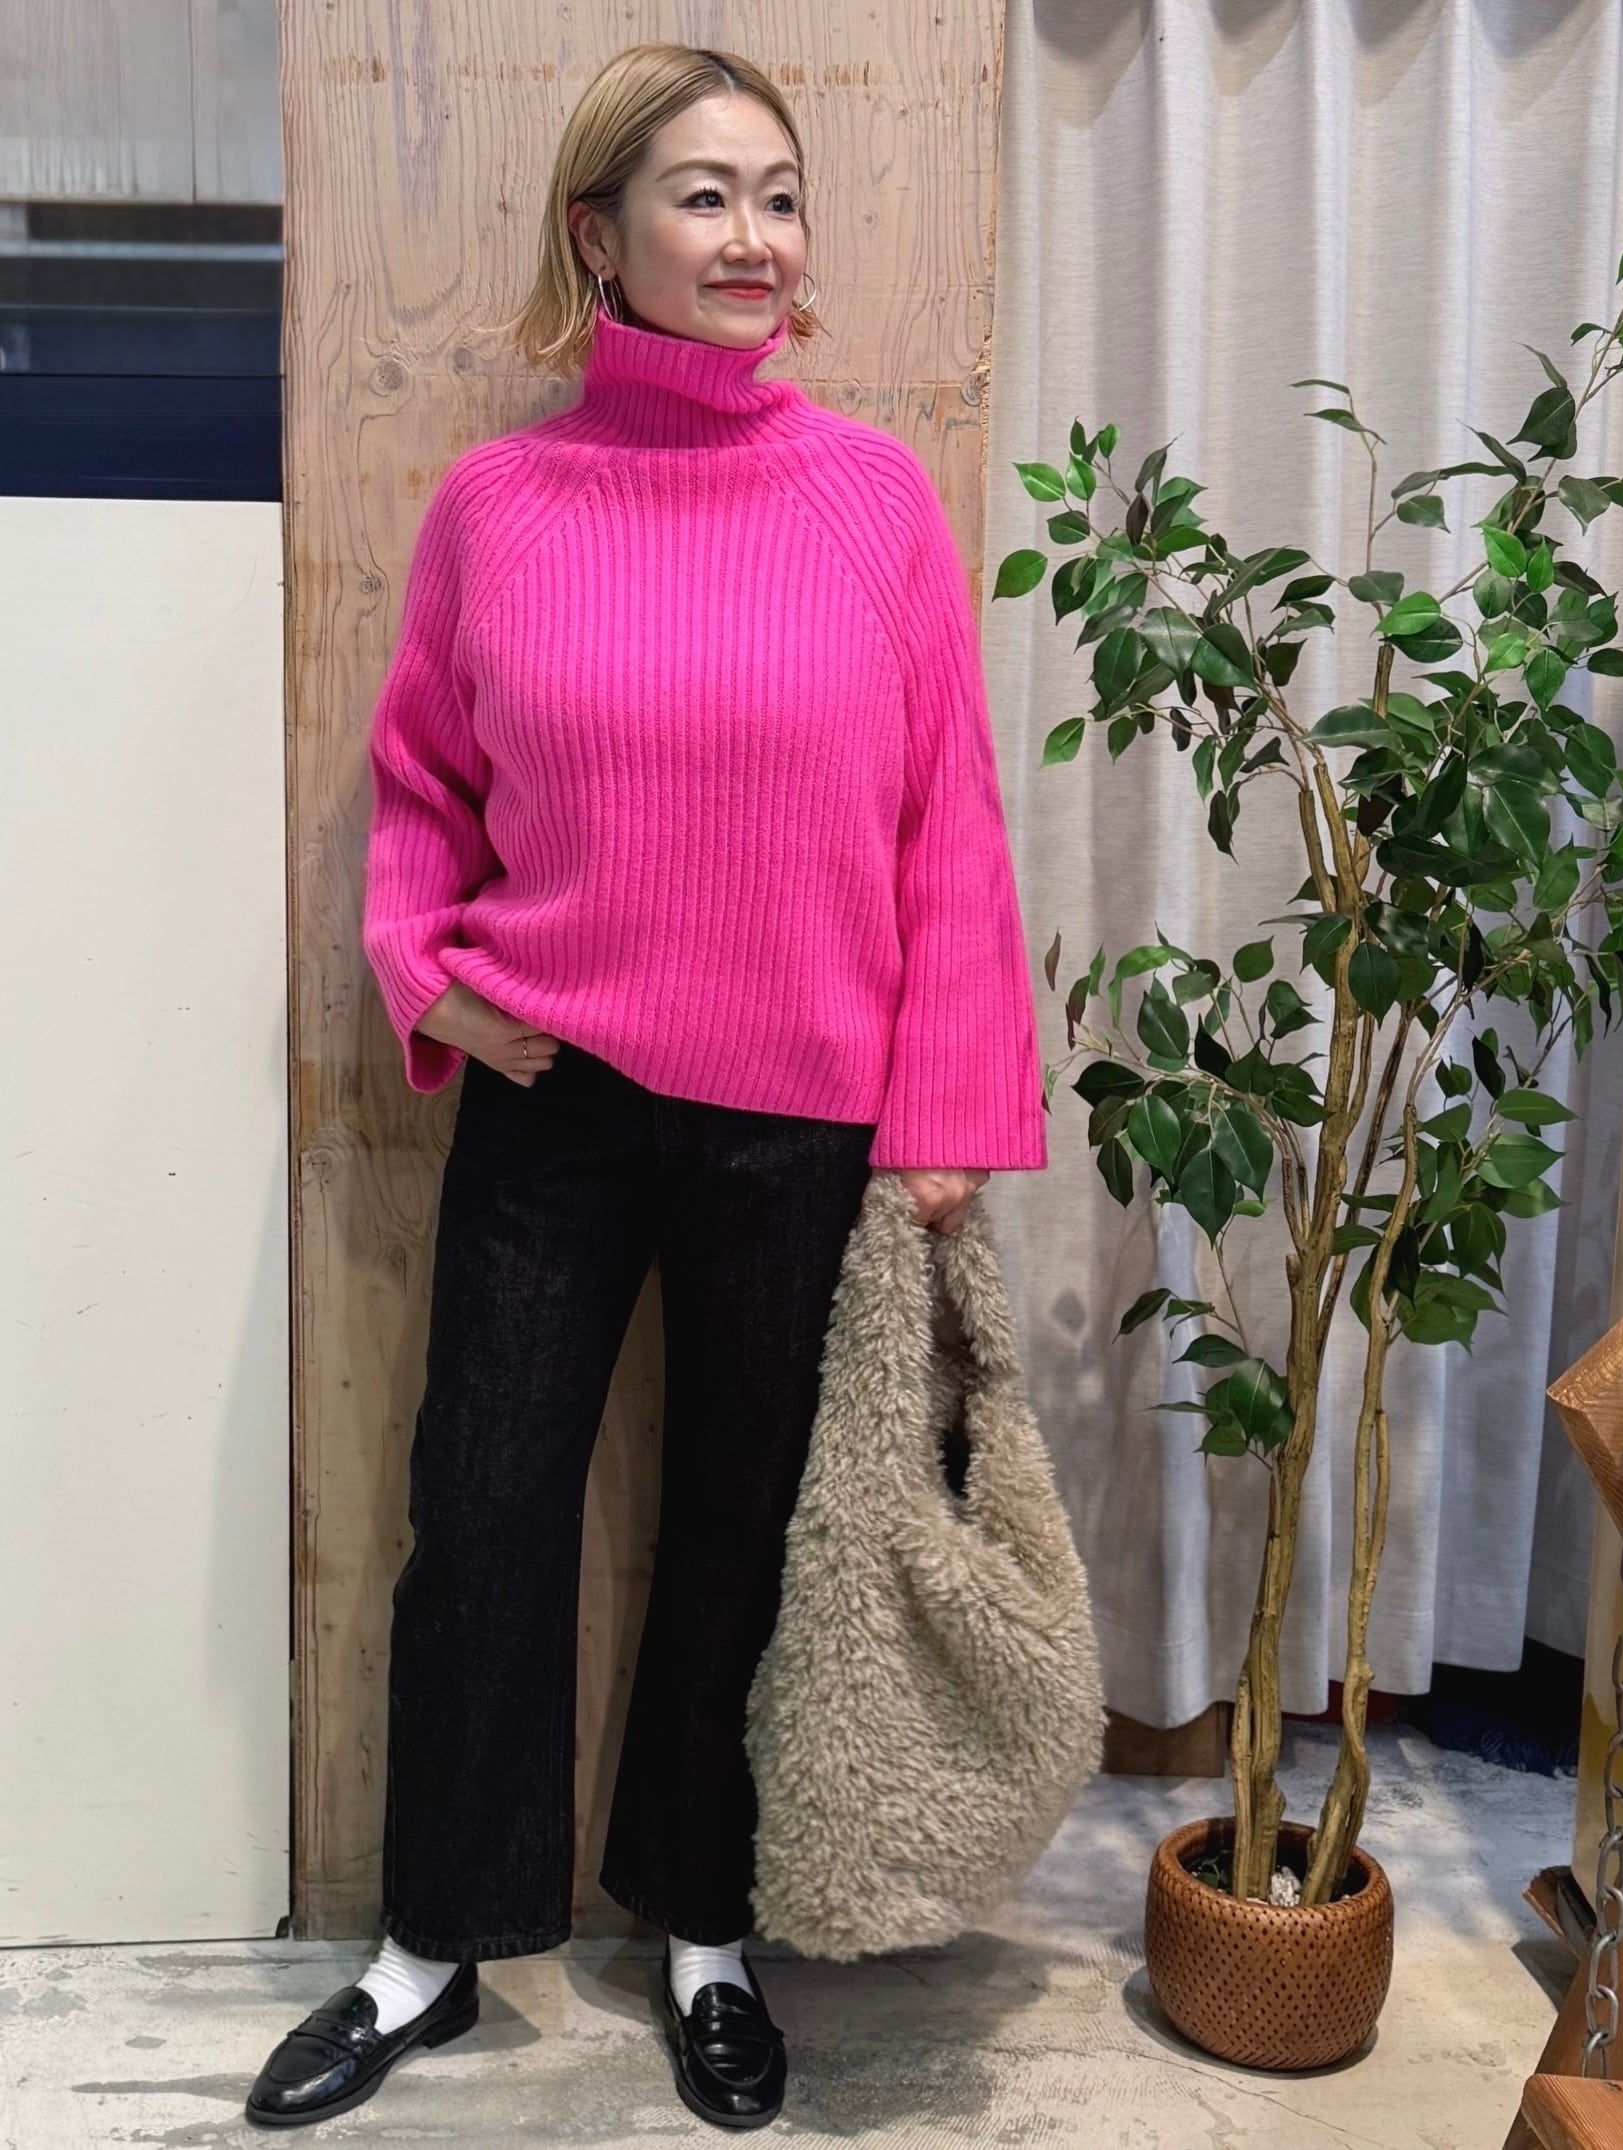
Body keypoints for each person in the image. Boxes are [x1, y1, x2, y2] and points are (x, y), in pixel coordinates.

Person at [244, 43, 1047, 2133]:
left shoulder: (872, 500)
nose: (753, 235)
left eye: (778, 193)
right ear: (598, 235)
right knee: (480, 1513)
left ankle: (704, 1933)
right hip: (559, 1096)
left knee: (745, 1534)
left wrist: (947, 1112)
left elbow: (945, 821)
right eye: (704, 195)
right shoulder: (496, 507)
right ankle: (431, 1946)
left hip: (802, 1115)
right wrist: (429, 969)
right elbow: (419, 785)